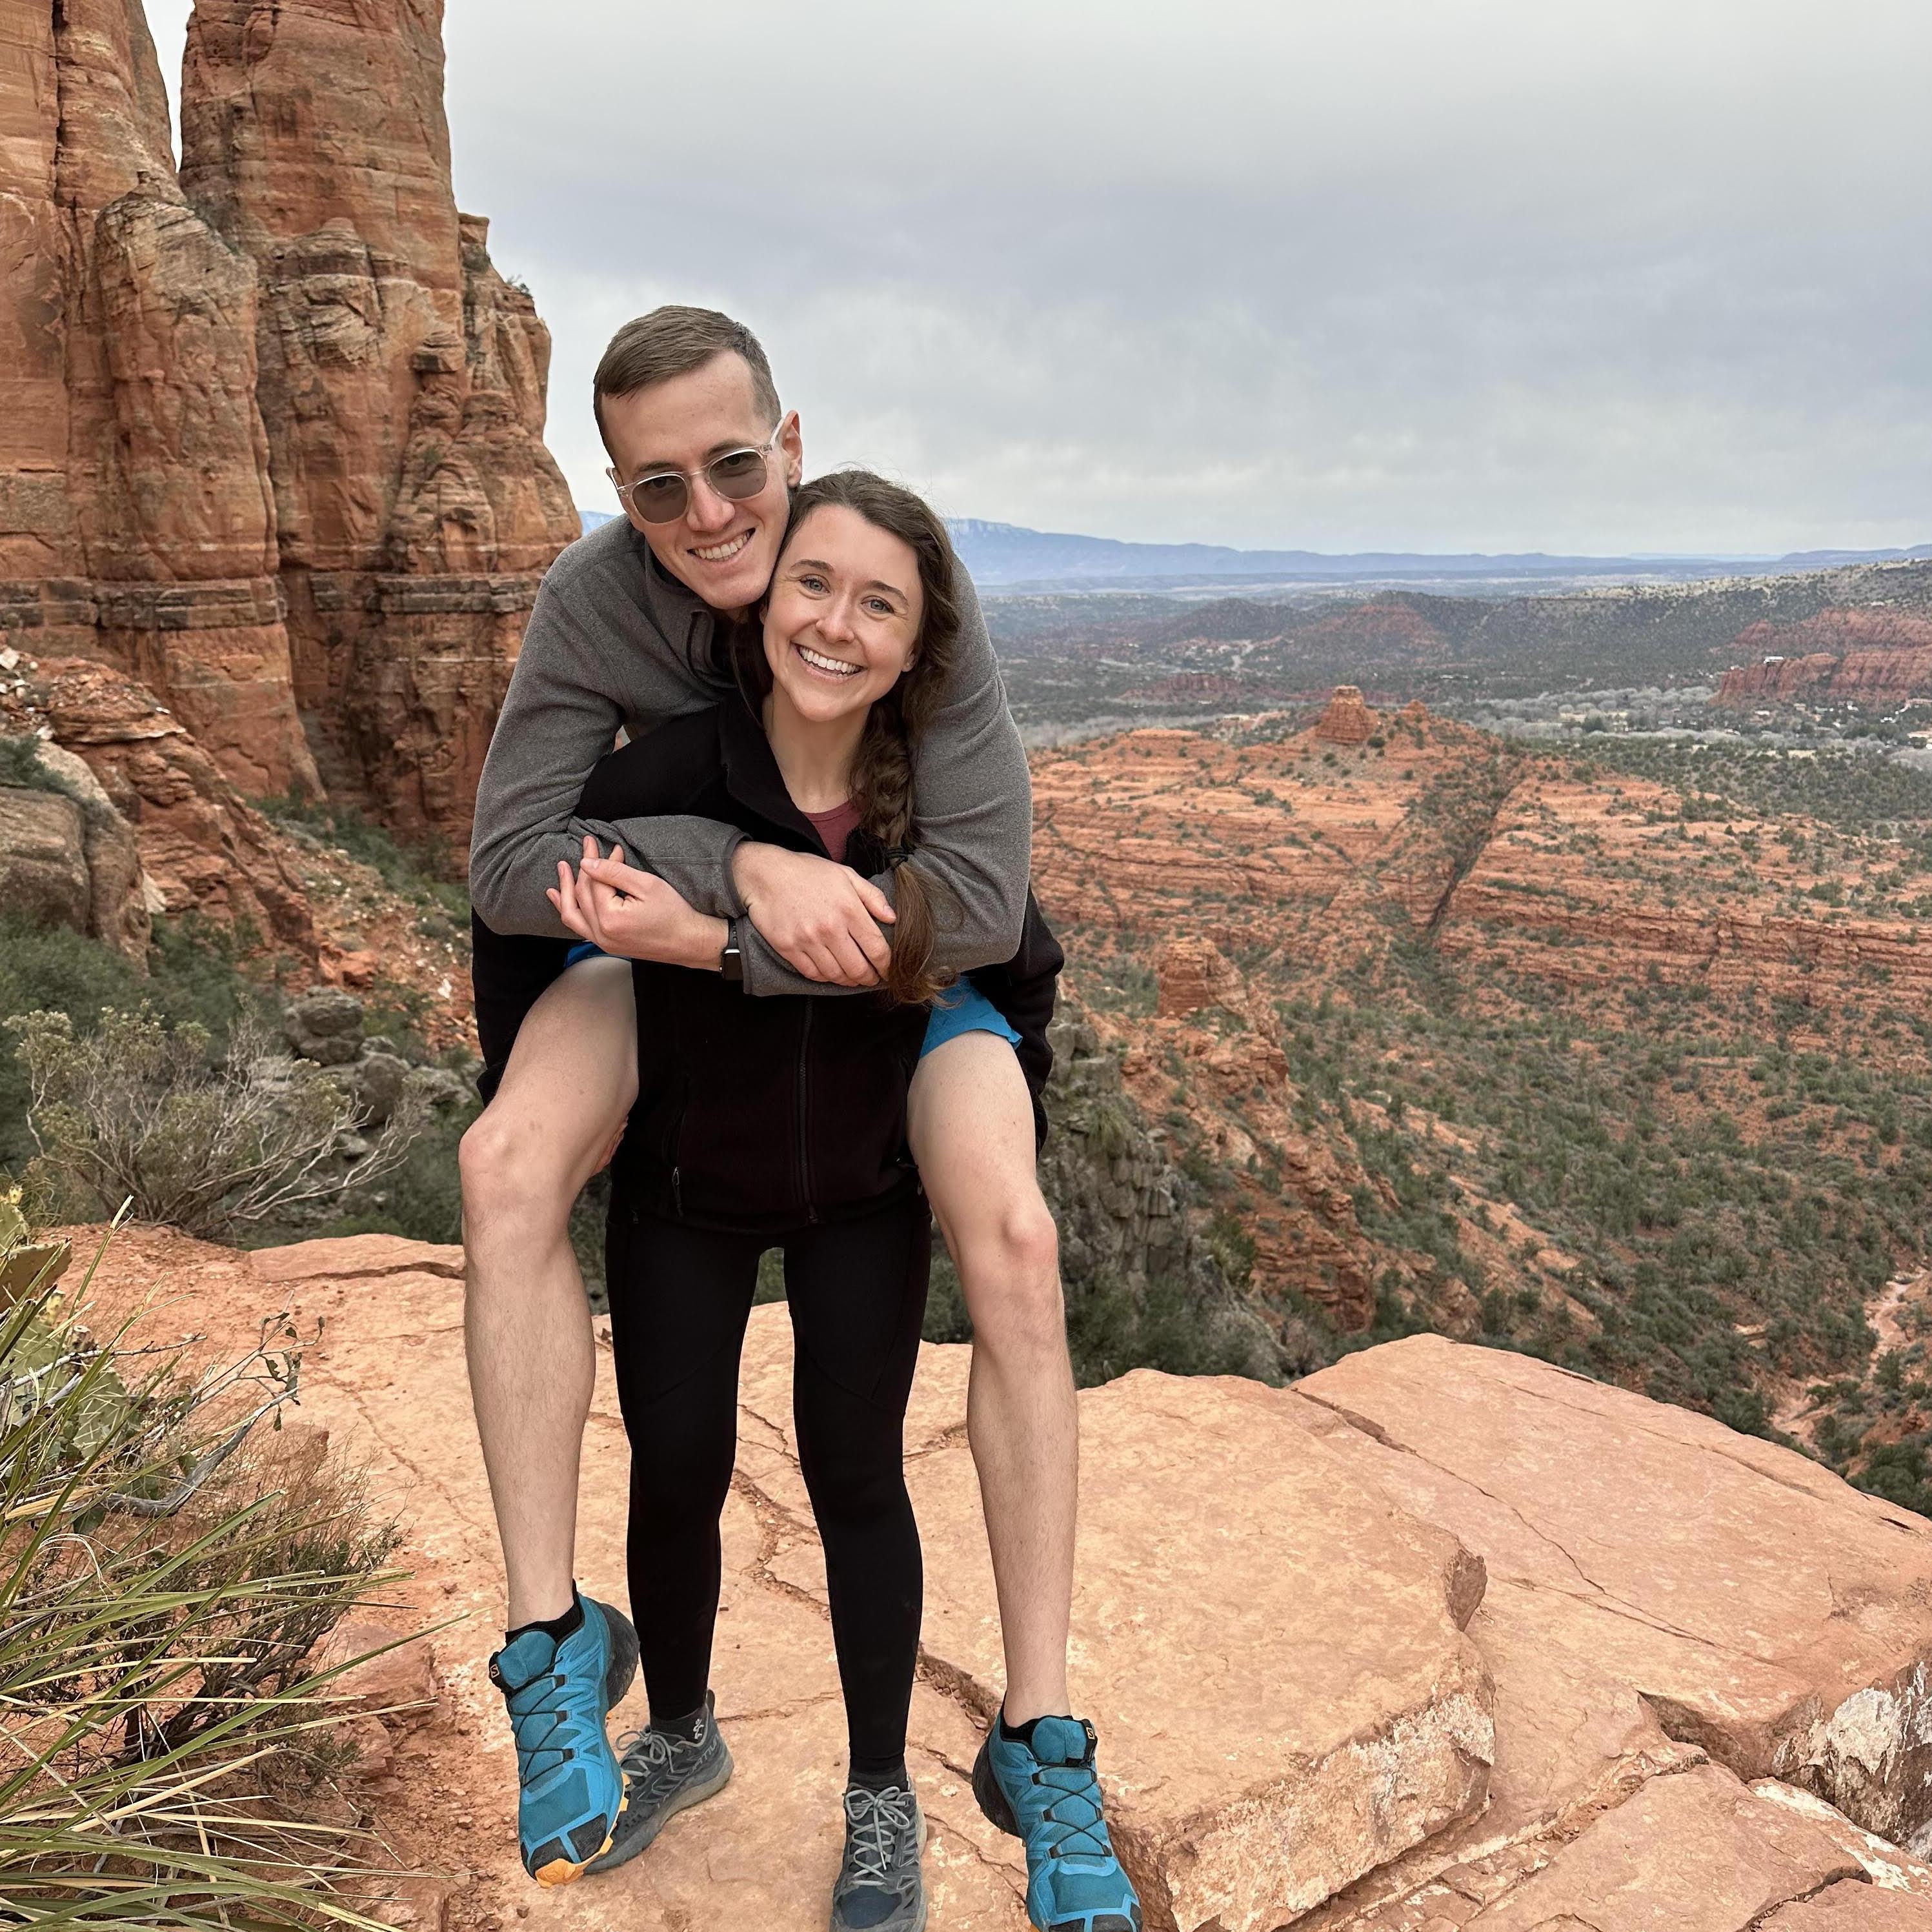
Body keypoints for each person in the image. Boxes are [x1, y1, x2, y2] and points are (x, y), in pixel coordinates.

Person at [461, 308, 1139, 1932]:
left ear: (790, 440)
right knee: (504, 1168)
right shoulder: (596, 609)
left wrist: (746, 927)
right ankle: (558, 1644)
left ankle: (1035, 1735)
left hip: (907, 973)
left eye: (735, 467)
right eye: (658, 487)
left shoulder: (892, 596)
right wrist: (740, 875)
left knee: (1017, 1240)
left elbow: (972, 905)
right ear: (617, 492)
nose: (708, 517)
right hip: (675, 961)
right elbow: (510, 864)